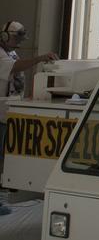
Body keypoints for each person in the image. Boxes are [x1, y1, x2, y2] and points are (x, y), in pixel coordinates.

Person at [0, 21, 57, 216]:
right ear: (6, 36)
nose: (19, 42)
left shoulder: (11, 52)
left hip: (7, 113)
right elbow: (15, 68)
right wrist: (39, 58)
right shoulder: (3, 54)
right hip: (1, 113)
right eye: (16, 38)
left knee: (4, 159)